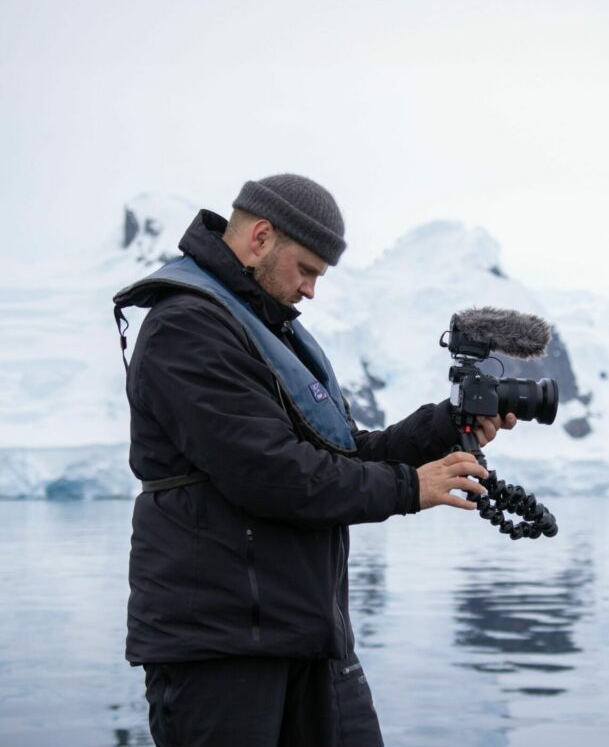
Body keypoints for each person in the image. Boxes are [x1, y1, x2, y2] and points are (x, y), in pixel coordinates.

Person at [114, 173, 515, 747]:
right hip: (222, 650)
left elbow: (341, 453)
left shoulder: (264, 331)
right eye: (306, 270)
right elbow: (273, 475)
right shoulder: (188, 327)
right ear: (260, 237)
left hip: (304, 636)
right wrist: (409, 488)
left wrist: (443, 426)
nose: (310, 291)